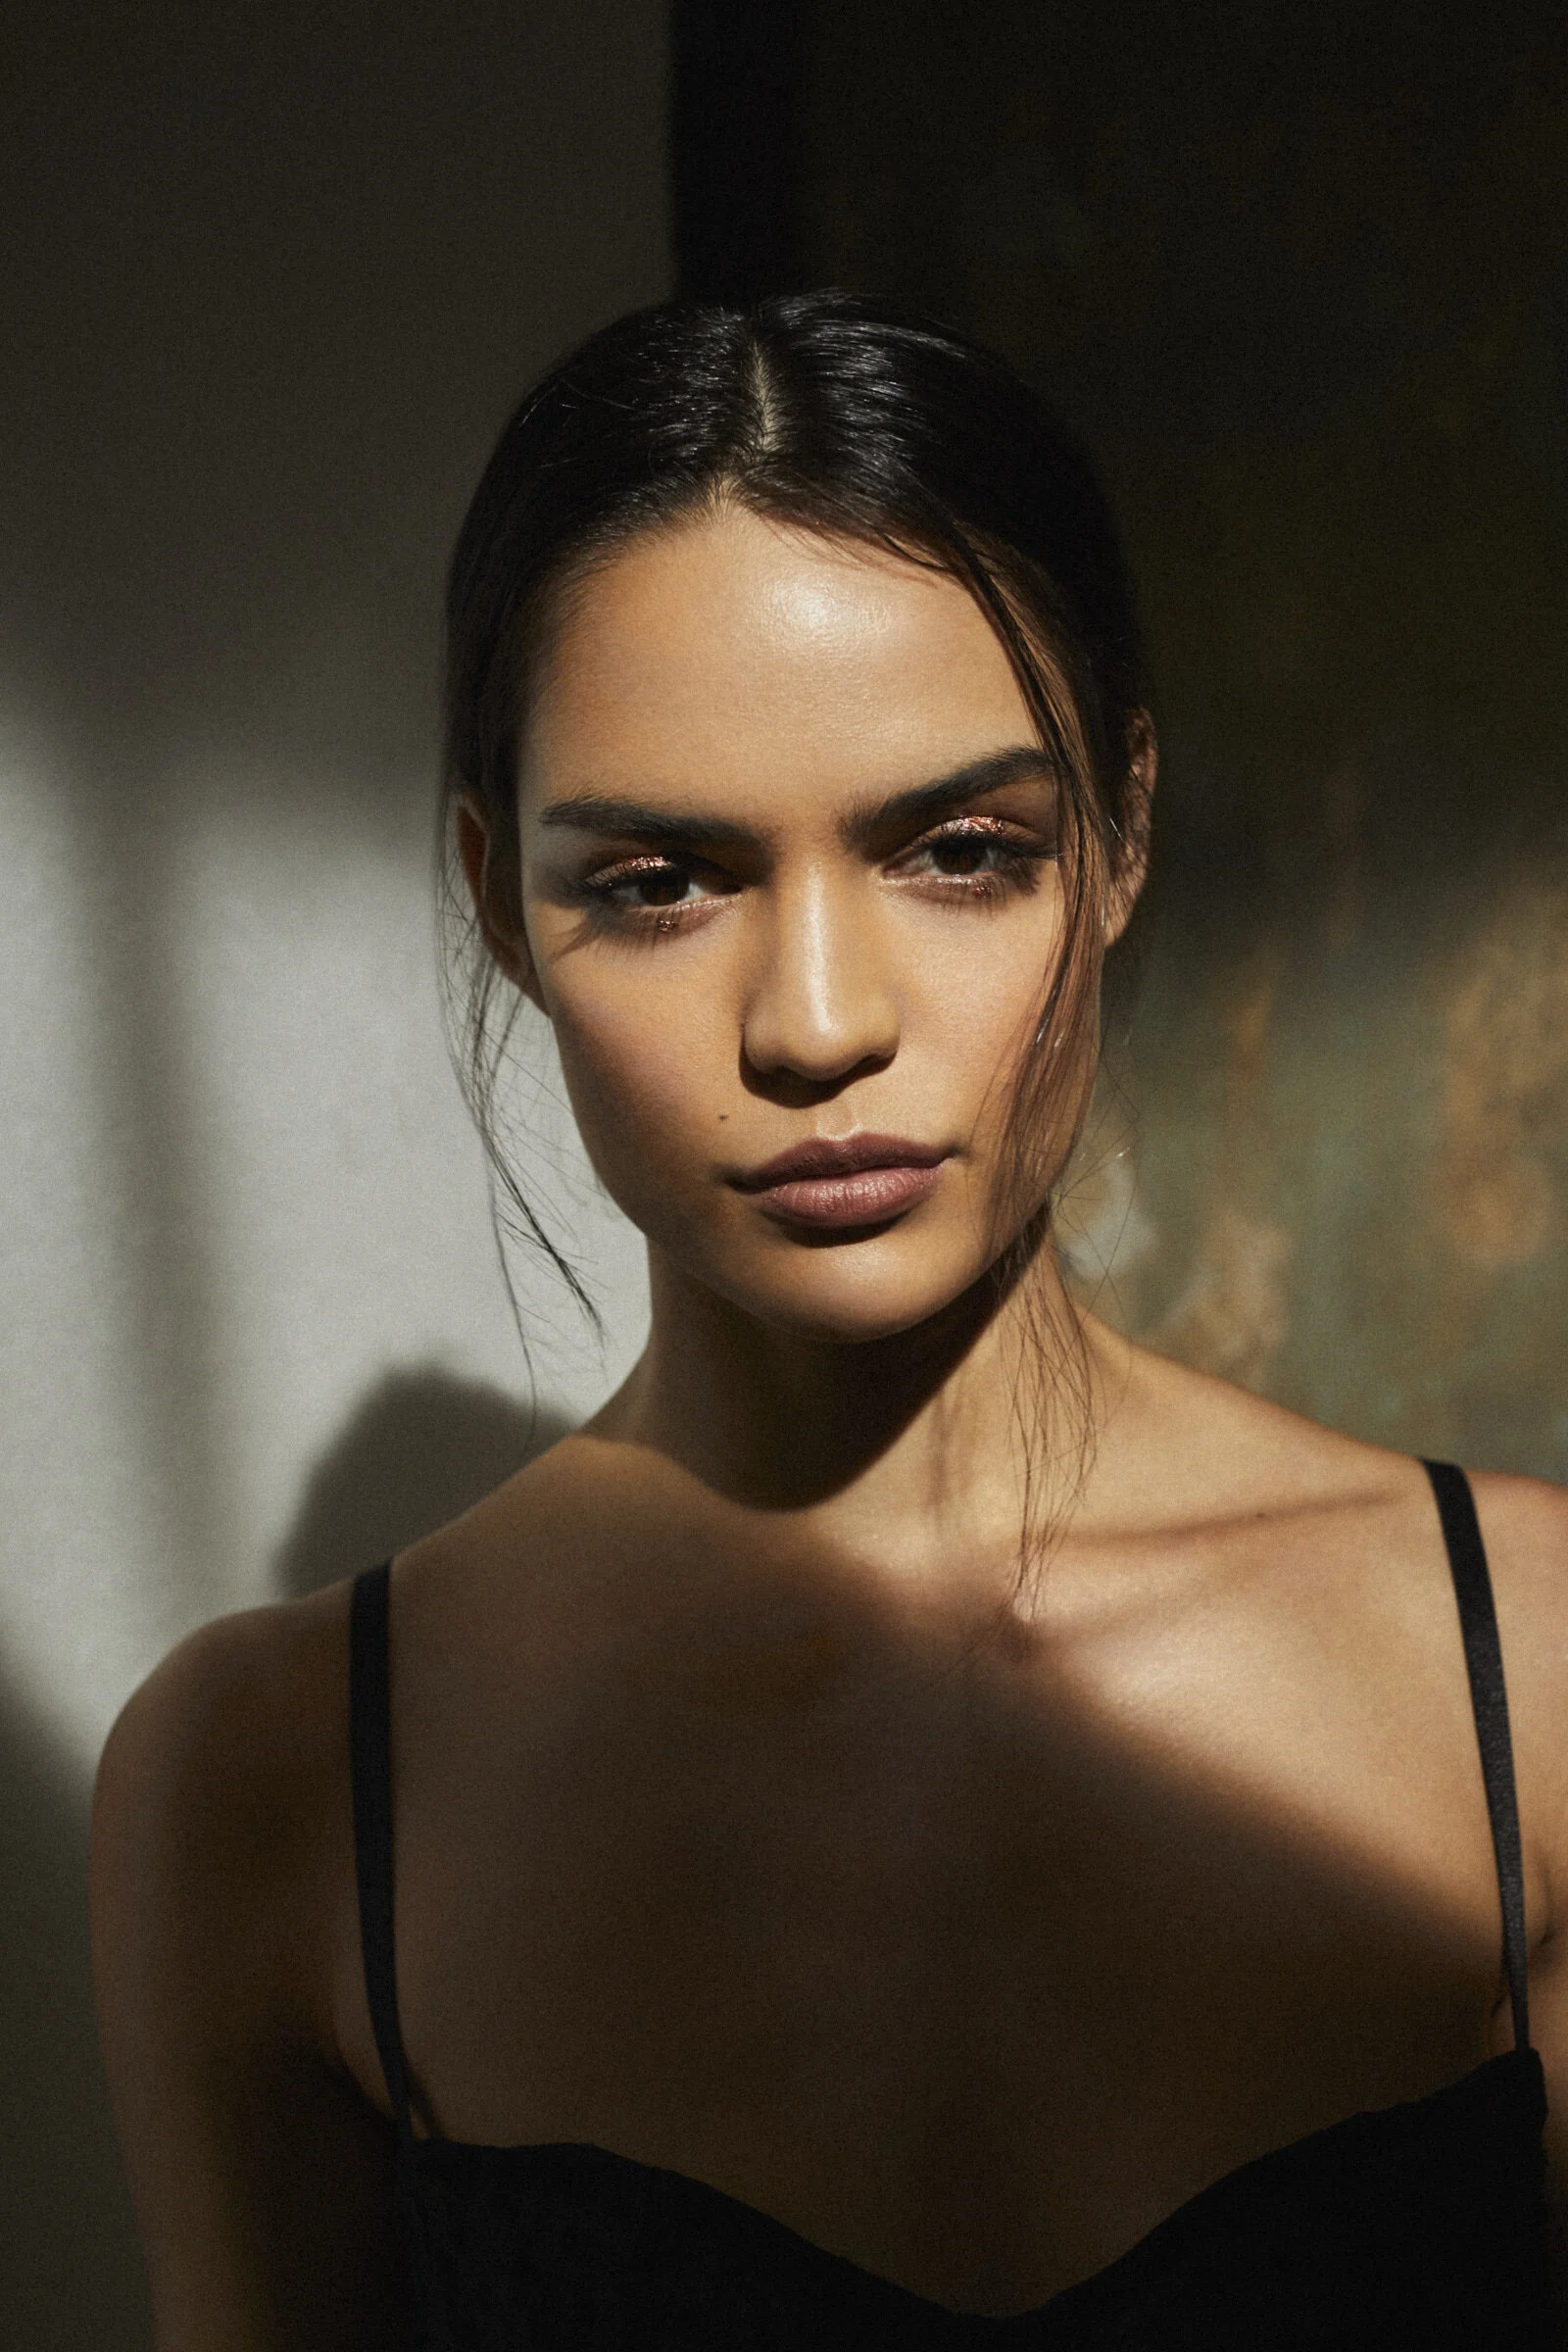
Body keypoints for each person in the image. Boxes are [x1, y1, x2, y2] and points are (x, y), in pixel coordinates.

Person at [91, 293, 1566, 2349]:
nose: (814, 1025)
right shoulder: (266, 1793)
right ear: (500, 898)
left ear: (1121, 831)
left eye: (959, 852)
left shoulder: (1532, 1674)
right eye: (661, 881)